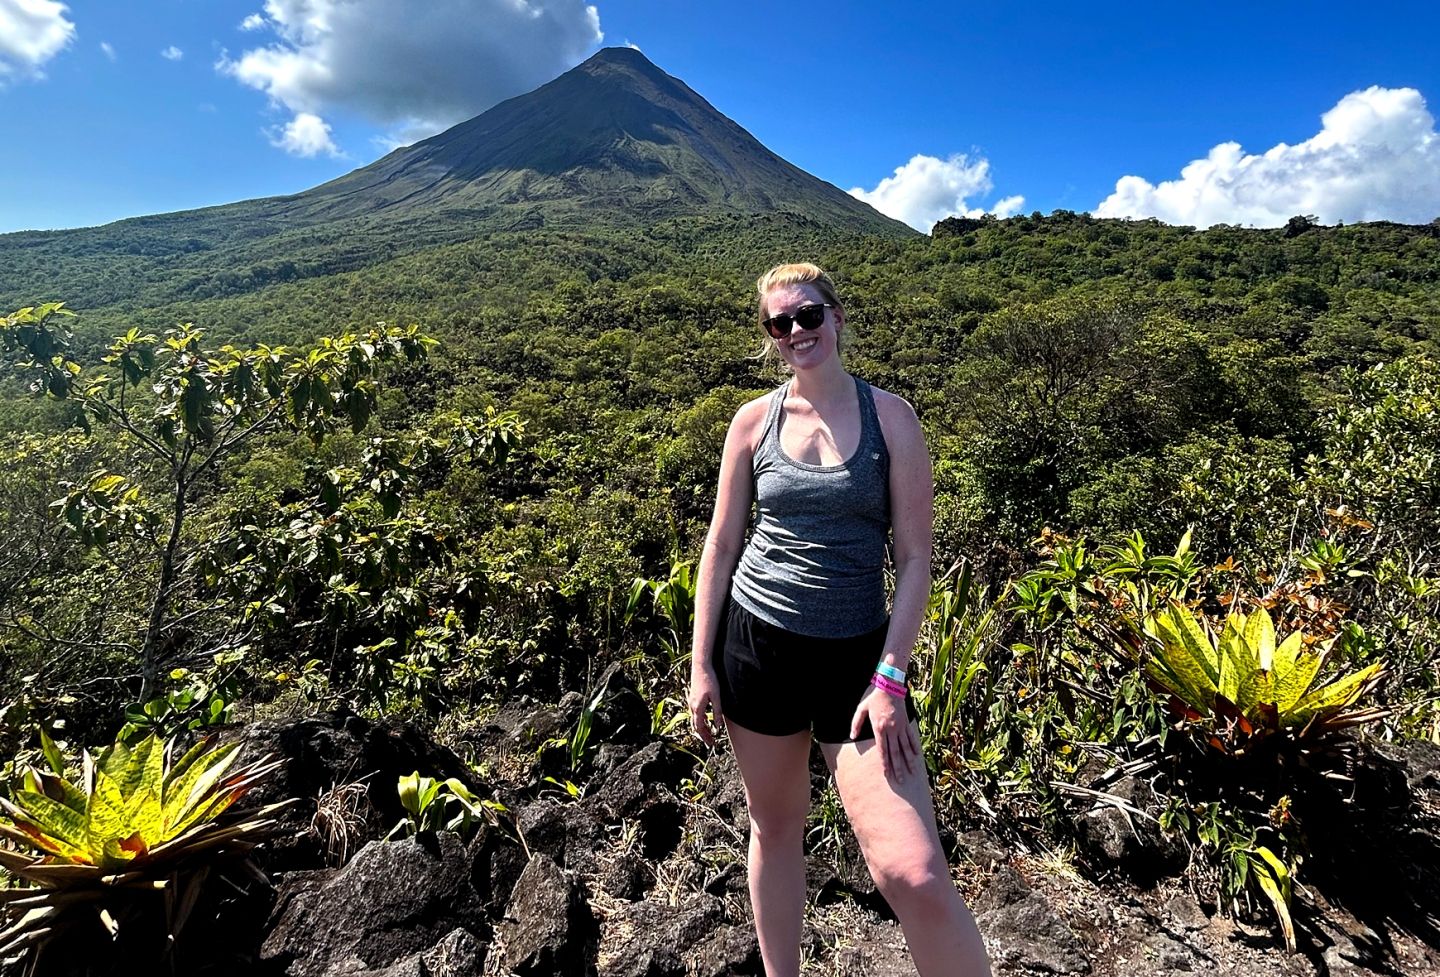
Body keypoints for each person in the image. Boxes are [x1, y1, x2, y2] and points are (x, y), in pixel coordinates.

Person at [688, 263, 992, 977]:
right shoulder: (752, 423)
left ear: (837, 315)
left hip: (857, 664)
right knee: (775, 826)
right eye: (780, 323)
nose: (797, 331)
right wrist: (701, 664)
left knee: (911, 869)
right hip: (756, 649)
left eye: (808, 315)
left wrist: (890, 678)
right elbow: (722, 546)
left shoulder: (892, 418)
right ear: (769, 337)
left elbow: (915, 558)